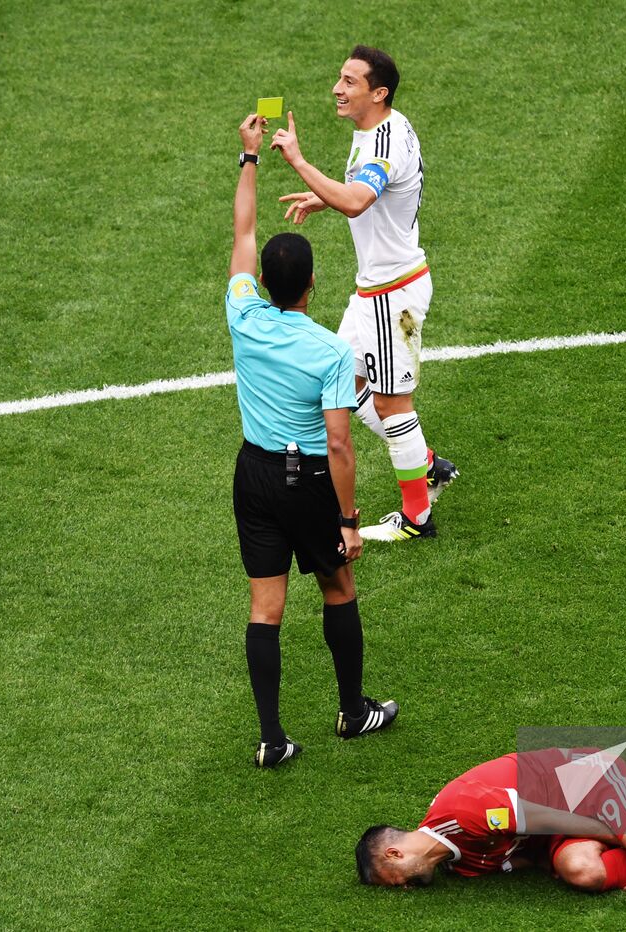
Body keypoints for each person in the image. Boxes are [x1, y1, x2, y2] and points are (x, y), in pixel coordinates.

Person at [225, 112, 399, 769]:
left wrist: (250, 158)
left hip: (253, 477)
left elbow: (243, 231)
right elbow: (340, 445)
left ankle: (271, 739)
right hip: (307, 485)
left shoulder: (242, 312)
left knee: (264, 608)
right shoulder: (329, 352)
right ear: (312, 285)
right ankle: (353, 712)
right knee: (338, 587)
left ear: (265, 283)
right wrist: (349, 520)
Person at [271, 45, 459, 544]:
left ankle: (417, 517)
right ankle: (427, 465)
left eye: (350, 81)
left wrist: (299, 162)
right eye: (340, 77)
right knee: (346, 388)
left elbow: (358, 202)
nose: (337, 87)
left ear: (378, 93)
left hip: (390, 295)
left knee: (393, 402)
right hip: (373, 291)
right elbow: (364, 195)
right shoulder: (378, 129)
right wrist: (323, 194)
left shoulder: (383, 144)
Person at [355, 748, 626, 890]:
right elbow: (536, 857)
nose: (400, 889)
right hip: (558, 827)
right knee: (581, 872)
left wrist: (621, 838)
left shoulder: (461, 810)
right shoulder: (465, 868)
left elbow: (541, 817)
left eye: (389, 882)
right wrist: (561, 865)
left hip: (586, 782)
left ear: (392, 854)